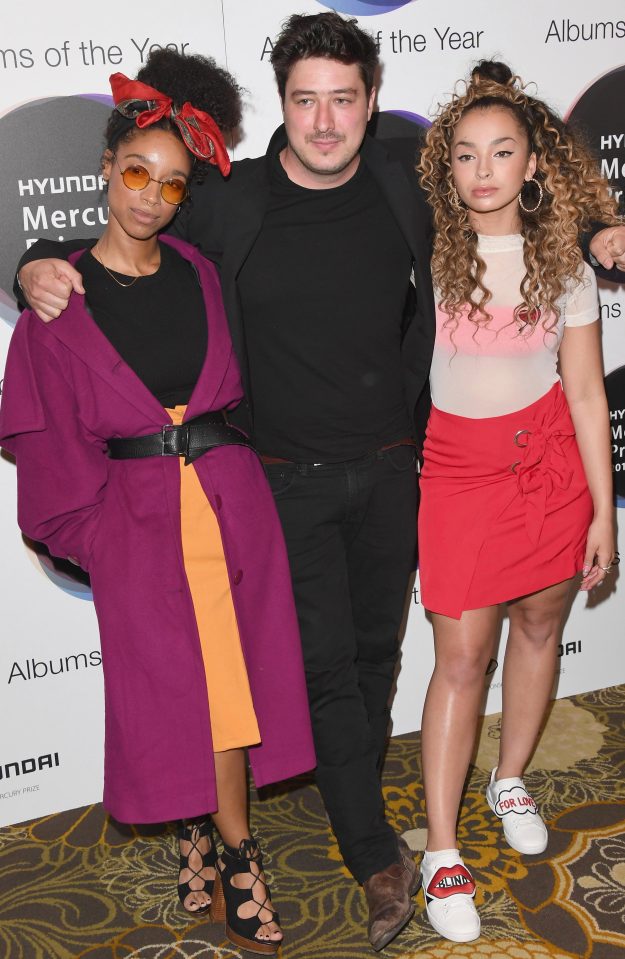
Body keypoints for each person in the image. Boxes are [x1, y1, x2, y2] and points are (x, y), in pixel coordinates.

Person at [15, 13, 433, 951]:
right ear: (280, 106)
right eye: (303, 100)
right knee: (276, 673)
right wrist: (26, 266)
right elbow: (105, 263)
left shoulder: (404, 187)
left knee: (360, 659)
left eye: (343, 98)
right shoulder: (230, 203)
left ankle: (315, 810)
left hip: (347, 477)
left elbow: (505, 203)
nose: (324, 121)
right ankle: (339, 853)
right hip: (267, 485)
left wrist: (598, 225)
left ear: (371, 100)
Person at [0, 49, 316, 957]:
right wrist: (104, 536)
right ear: (104, 168)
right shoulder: (57, 299)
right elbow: (47, 443)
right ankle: (223, 845)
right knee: (180, 692)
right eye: (135, 172)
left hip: (229, 506)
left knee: (229, 688)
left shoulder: (199, 270)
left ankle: (226, 844)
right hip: (139, 524)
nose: (149, 195)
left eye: (171, 184)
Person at [415, 60, 619, 943]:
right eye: (466, 154)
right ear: (446, 167)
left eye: (503, 151)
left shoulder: (559, 256)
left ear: (534, 161)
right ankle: (441, 850)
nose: (485, 168)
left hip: (549, 467)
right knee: (461, 657)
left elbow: (583, 393)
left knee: (539, 624)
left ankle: (510, 778)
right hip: (455, 471)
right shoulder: (417, 245)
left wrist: (604, 511)